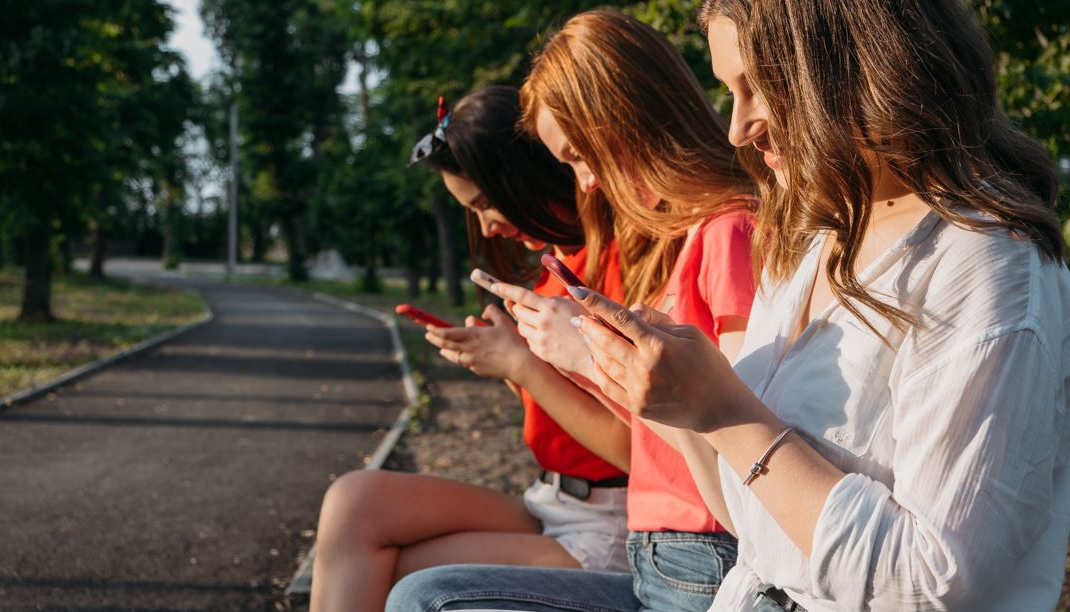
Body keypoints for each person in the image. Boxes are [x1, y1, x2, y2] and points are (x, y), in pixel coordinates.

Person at [565, 1, 1070, 610]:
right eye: (731, 91)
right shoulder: (823, 235)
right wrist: (677, 402)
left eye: (761, 87)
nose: (737, 127)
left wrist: (724, 408)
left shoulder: (986, 263)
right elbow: (757, 526)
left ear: (860, 67)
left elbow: (935, 581)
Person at [386, 10, 758, 611]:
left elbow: (741, 449)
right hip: (660, 547)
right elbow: (666, 429)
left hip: (700, 554)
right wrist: (563, 358)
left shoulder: (729, 230)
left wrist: (577, 360)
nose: (584, 184)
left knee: (425, 598)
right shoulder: (691, 236)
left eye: (580, 157)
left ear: (627, 122)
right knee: (422, 592)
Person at [309, 86, 635, 612]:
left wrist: (522, 364)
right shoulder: (555, 272)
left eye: (485, 203)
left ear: (524, 173)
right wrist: (502, 359)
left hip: (614, 524)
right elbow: (566, 406)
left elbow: (640, 449)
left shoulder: (621, 265)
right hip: (551, 501)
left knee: (389, 576)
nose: (488, 226)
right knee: (353, 501)